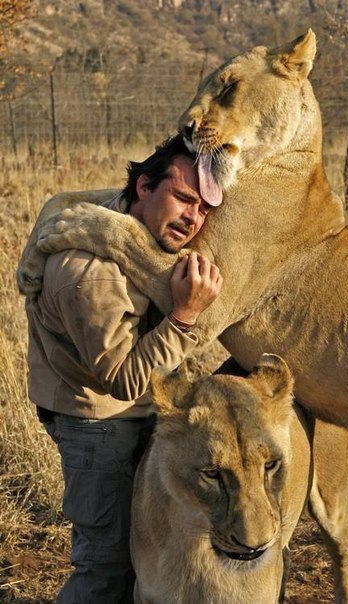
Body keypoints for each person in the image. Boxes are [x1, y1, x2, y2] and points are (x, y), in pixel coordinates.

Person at [24, 135, 223, 603]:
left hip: (138, 414)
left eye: (205, 209)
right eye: (184, 199)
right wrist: (184, 317)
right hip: (97, 422)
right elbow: (125, 380)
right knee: (106, 566)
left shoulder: (127, 226)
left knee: (146, 557)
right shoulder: (88, 272)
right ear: (144, 187)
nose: (193, 218)